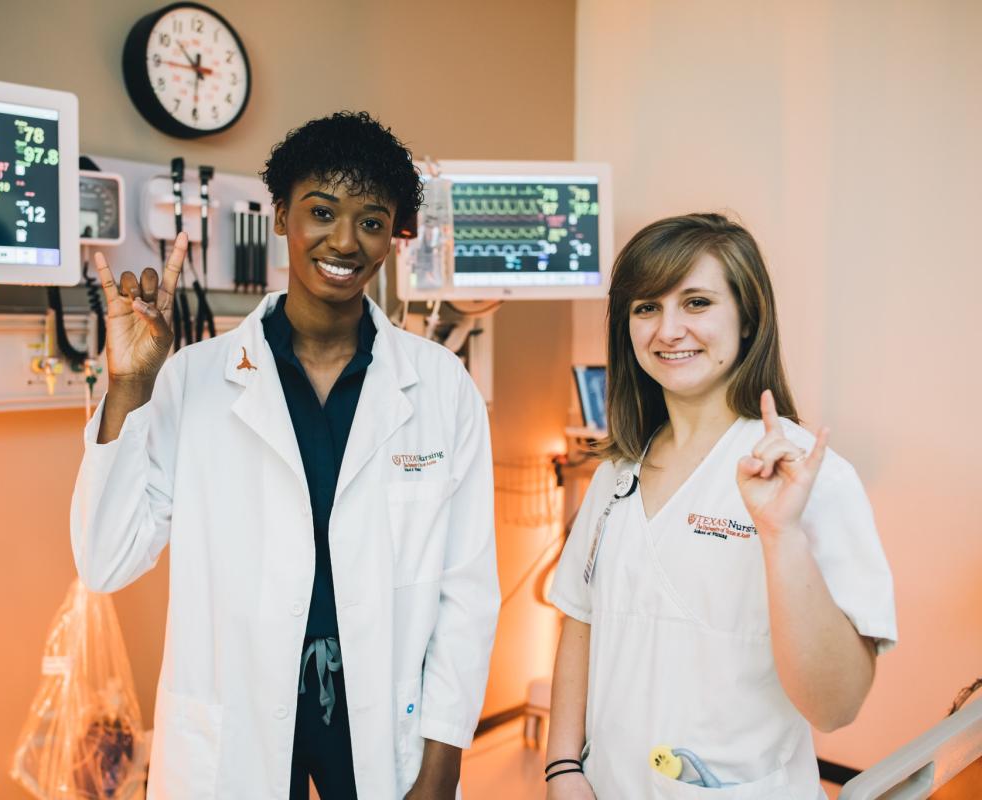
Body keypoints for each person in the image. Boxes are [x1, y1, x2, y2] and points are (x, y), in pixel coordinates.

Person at [71, 111, 499, 800]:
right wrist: (129, 387)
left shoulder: (441, 385)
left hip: (379, 721)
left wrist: (443, 757)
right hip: (236, 719)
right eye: (321, 211)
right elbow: (105, 559)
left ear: (394, 236)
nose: (344, 240)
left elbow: (467, 589)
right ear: (279, 216)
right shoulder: (194, 379)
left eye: (371, 220)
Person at [545, 213, 897, 799]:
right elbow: (579, 619)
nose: (668, 330)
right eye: (646, 308)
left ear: (748, 318)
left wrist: (781, 536)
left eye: (698, 303)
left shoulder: (808, 476)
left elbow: (836, 706)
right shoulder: (616, 473)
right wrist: (562, 767)